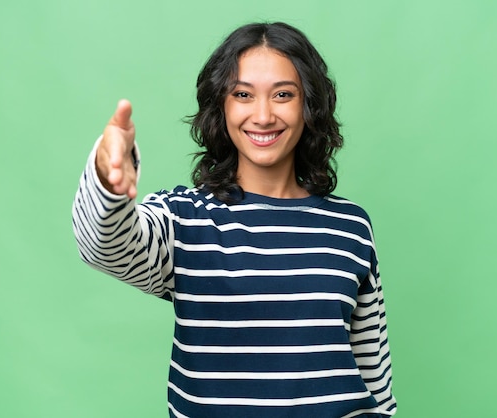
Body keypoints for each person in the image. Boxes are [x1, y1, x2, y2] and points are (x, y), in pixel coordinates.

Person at [72, 22, 397, 418]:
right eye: (242, 94)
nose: (263, 115)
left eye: (283, 94)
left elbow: (374, 379)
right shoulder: (185, 218)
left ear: (308, 105)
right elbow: (104, 247)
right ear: (221, 106)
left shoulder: (350, 227)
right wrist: (107, 180)